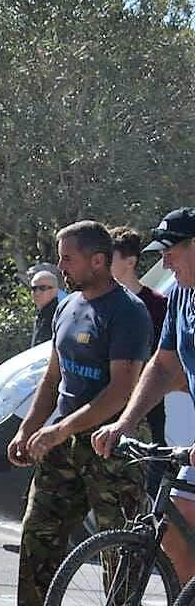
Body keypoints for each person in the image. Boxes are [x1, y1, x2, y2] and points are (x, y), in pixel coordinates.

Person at [0, 221, 150, 606]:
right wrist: (28, 430)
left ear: (98, 261)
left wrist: (59, 431)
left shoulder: (127, 312)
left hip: (110, 446)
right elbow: (52, 377)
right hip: (60, 446)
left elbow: (121, 390)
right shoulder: (67, 308)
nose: (61, 266)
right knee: (38, 532)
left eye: (68, 258)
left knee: (117, 544)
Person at [96, 209, 195, 499]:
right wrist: (125, 423)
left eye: (170, 252)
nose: (164, 263)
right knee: (173, 520)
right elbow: (163, 366)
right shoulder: (181, 294)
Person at [111, 226, 170, 444]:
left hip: (146, 407)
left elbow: (165, 358)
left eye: (111, 257)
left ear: (130, 261)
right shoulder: (99, 304)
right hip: (106, 407)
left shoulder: (158, 304)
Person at [28, 264, 64, 345]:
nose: (37, 292)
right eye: (34, 289)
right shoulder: (41, 314)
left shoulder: (60, 315)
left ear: (55, 290)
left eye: (42, 288)